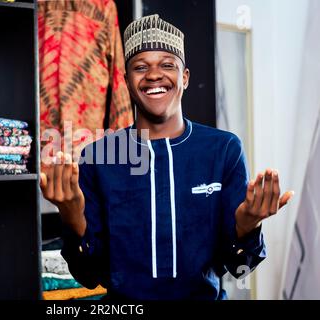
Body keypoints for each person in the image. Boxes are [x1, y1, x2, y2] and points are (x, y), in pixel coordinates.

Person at [40, 14, 294, 300]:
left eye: (167, 65)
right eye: (141, 67)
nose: (154, 75)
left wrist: (248, 226)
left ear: (184, 78)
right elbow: (89, 276)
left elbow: (238, 269)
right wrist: (73, 217)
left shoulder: (223, 150)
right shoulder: (99, 157)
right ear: (126, 80)